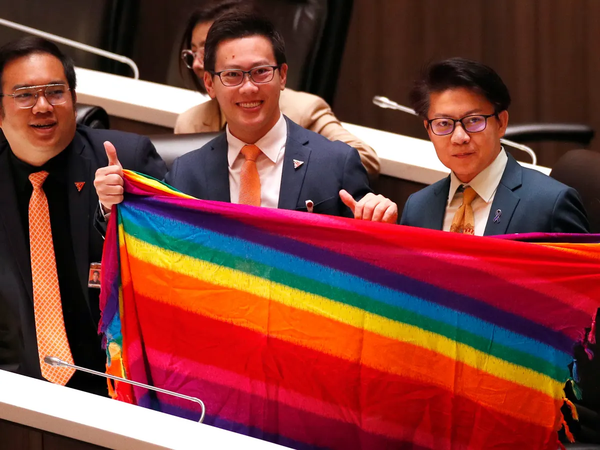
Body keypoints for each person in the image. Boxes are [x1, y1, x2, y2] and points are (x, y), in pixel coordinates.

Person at [96, 13, 397, 224]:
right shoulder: (186, 173)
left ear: (282, 76)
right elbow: (154, 246)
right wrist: (112, 207)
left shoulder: (336, 163)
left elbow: (368, 258)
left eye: (261, 71)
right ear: (210, 85)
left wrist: (380, 220)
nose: (249, 87)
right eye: (232, 75)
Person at [0, 36, 167, 396]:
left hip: (120, 390)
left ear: (74, 100)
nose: (42, 106)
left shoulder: (125, 159)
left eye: (55, 92)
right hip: (18, 393)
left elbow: (171, 264)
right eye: (25, 94)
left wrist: (116, 210)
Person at [174, 0, 381, 177]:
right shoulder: (190, 123)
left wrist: (288, 169)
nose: (198, 64)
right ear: (211, 83)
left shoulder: (303, 110)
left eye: (207, 50)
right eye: (194, 52)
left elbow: (364, 158)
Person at [400, 57, 589, 236]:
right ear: (428, 129)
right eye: (443, 123)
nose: (459, 137)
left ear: (501, 123)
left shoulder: (550, 203)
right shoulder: (417, 209)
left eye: (474, 120)